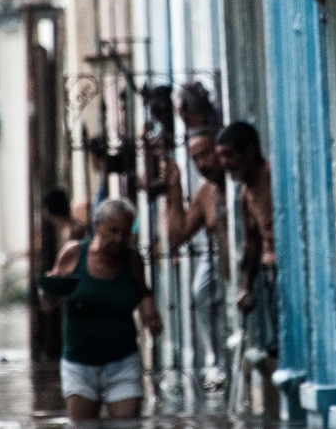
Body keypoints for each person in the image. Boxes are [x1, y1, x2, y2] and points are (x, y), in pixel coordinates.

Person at [40, 198, 163, 421]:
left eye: (125, 233)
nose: (119, 239)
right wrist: (48, 291)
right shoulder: (73, 254)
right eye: (113, 231)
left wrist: (148, 306)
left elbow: (142, 290)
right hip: (79, 365)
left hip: (123, 363)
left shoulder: (132, 259)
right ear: (97, 225)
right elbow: (49, 301)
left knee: (127, 426)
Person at [215, 121, 279, 416]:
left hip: (281, 272)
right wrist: (245, 285)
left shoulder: (272, 177)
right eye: (221, 156)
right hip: (268, 277)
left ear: (250, 151)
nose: (224, 163)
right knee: (271, 347)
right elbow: (252, 243)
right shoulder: (244, 193)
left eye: (229, 155)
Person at [163, 127, 229, 390]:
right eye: (195, 159)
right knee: (201, 294)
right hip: (218, 264)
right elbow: (178, 235)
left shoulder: (237, 184)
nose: (202, 164)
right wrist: (175, 188)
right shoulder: (205, 193)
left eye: (206, 154)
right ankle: (216, 361)